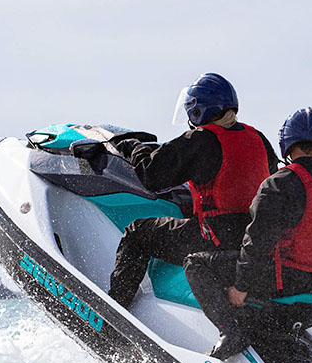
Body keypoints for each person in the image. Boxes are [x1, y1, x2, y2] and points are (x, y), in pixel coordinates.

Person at [184, 107, 312, 359]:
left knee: (196, 263)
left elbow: (256, 243)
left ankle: (230, 331)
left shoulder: (277, 183)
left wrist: (241, 287)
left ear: (286, 143)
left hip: (277, 297)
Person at [107, 73, 280, 309]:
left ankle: (115, 310)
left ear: (199, 111)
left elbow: (151, 175)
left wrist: (132, 146)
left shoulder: (202, 139)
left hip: (214, 240)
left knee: (138, 233)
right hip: (251, 243)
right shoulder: (259, 139)